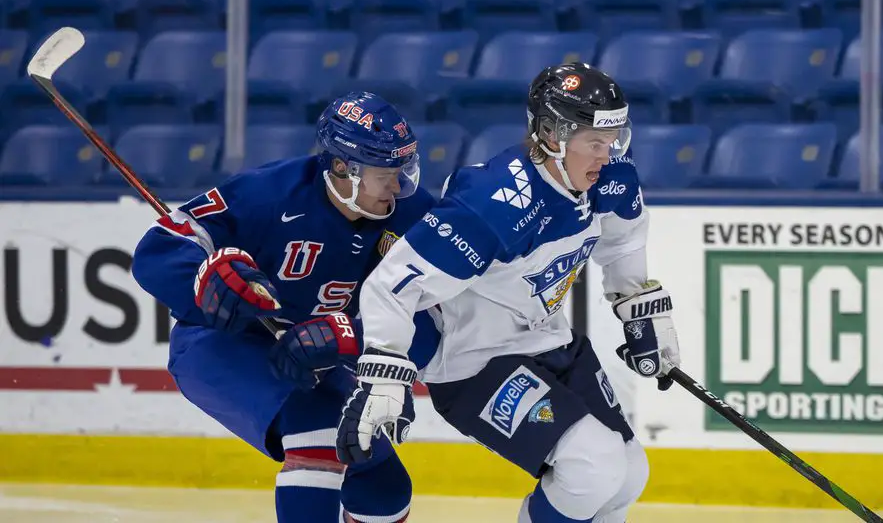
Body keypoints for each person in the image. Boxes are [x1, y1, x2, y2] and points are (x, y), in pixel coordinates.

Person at [336, 63, 681, 522]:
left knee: (628, 472)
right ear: (552, 135)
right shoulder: (493, 202)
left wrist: (642, 312)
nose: (608, 153)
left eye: (615, 138)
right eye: (595, 142)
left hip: (549, 340)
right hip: (476, 362)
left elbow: (623, 240)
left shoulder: (609, 177)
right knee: (591, 468)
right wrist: (383, 375)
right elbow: (393, 284)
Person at [131, 91, 441, 523]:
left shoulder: (414, 215)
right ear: (341, 168)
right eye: (384, 174)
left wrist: (349, 336)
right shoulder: (268, 193)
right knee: (317, 427)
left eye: (402, 170)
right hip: (222, 344)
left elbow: (433, 323)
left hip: (316, 360)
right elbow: (160, 249)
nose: (398, 186)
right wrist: (205, 279)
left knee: (383, 486)